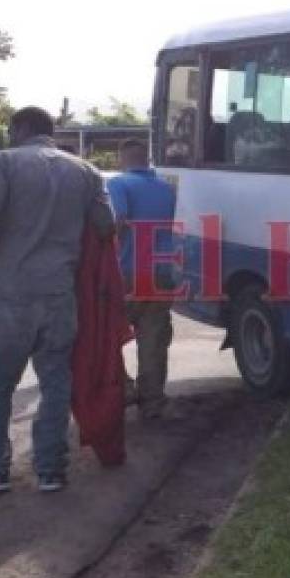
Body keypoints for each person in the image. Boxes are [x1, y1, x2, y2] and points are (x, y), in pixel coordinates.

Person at [0, 106, 114, 494]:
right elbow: (107, 226)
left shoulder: (2, 163)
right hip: (60, 295)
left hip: (11, 292)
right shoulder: (86, 171)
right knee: (56, 382)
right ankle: (50, 471)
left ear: (21, 128)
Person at [107, 138, 177, 420]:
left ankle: (124, 389)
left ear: (122, 159)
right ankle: (152, 403)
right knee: (153, 339)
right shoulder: (168, 188)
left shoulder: (118, 183)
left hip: (125, 272)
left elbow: (119, 220)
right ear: (146, 159)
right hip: (162, 272)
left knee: (108, 336)